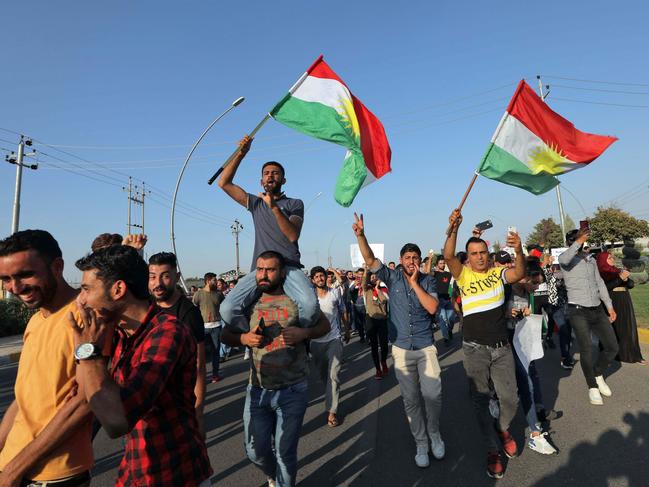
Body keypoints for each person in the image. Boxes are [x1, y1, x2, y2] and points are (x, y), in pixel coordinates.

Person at [71, 245, 212, 486]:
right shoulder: (116, 333)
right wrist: (90, 345)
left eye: (86, 289)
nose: (80, 300)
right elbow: (84, 394)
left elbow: (116, 420)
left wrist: (88, 351)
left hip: (174, 473)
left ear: (118, 289)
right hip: (136, 470)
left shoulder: (168, 333)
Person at [221, 251, 330, 487]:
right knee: (254, 451)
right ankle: (273, 476)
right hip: (258, 390)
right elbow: (225, 334)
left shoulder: (297, 301)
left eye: (270, 270)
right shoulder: (248, 302)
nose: (263, 275)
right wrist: (244, 339)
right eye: (259, 269)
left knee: (285, 453)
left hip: (293, 390)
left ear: (282, 273)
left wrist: (305, 333)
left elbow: (324, 324)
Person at [0, 230, 95, 486]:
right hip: (13, 467)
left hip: (54, 477)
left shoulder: (85, 318)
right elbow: (23, 398)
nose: (15, 287)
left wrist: (12, 471)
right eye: (6, 279)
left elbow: (84, 402)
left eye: (25, 274)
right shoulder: (34, 320)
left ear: (57, 266)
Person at [352, 213, 445, 468]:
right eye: (407, 258)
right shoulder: (391, 277)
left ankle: (434, 433)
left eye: (415, 258)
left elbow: (433, 308)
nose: (412, 261)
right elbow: (370, 260)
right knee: (411, 399)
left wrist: (416, 284)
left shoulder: (428, 280)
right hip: (402, 349)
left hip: (425, 346)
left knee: (433, 395)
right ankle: (421, 442)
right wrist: (361, 235)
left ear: (420, 261)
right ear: (401, 261)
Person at [443, 209, 526, 480]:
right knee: (480, 402)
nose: (479, 257)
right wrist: (454, 228)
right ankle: (492, 449)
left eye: (482, 252)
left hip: (502, 348)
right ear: (467, 257)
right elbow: (447, 256)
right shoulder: (463, 275)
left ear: (488, 253)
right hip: (474, 349)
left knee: (510, 399)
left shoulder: (499, 273)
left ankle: (502, 429)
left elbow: (519, 273)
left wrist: (520, 251)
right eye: (474, 253)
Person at [218, 135, 318, 331]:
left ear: (284, 179)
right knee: (228, 308)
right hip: (261, 269)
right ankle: (253, 334)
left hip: (288, 267)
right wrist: (241, 153)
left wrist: (273, 208)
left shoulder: (295, 204)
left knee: (310, 306)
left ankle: (298, 335)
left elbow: (292, 235)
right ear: (261, 180)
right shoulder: (255, 203)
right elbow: (224, 183)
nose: (270, 176)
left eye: (275, 173)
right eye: (266, 173)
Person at [148, 252, 207, 435]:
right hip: (145, 401)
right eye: (152, 277)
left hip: (176, 405)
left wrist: (198, 412)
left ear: (177, 277)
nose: (158, 283)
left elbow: (199, 366)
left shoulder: (188, 314)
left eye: (165, 276)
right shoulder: (146, 307)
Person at [559, 229, 618, 406]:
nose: (585, 242)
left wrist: (609, 306)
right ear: (573, 241)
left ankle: (598, 373)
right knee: (586, 349)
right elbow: (563, 259)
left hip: (597, 310)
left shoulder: (591, 259)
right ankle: (592, 386)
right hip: (578, 310)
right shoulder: (566, 259)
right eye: (581, 239)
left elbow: (599, 283)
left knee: (612, 347)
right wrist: (578, 241)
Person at [506, 267, 558, 455]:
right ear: (523, 278)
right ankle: (535, 434)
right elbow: (495, 316)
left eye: (539, 283)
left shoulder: (529, 294)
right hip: (507, 341)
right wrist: (508, 314)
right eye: (534, 283)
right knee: (524, 382)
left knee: (532, 374)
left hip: (525, 340)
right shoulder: (506, 290)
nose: (537, 287)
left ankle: (538, 410)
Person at [310, 266, 350, 427]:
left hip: (334, 339)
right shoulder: (310, 298)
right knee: (324, 377)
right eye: (317, 277)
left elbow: (343, 310)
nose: (320, 278)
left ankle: (331, 412)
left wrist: (347, 329)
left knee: (333, 376)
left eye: (322, 276)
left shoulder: (334, 293)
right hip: (316, 342)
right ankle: (331, 395)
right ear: (312, 280)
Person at [596, 251, 646, 365]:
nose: (612, 259)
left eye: (613, 257)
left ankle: (633, 355)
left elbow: (631, 285)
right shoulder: (601, 273)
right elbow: (604, 288)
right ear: (603, 260)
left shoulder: (618, 270)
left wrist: (626, 279)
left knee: (627, 328)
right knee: (611, 329)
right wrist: (619, 278)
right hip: (611, 302)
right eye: (609, 258)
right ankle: (607, 355)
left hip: (624, 301)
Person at [541, 254, 575, 369]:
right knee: (564, 330)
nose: (557, 267)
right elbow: (545, 270)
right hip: (554, 306)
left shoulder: (567, 275)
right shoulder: (550, 276)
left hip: (567, 305)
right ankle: (565, 357)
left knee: (568, 331)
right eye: (555, 265)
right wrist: (548, 262)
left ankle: (566, 352)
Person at [193, 272, 225, 382]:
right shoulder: (198, 294)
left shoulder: (219, 294)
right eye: (214, 280)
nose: (216, 282)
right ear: (207, 281)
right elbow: (193, 308)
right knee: (201, 353)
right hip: (203, 328)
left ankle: (215, 375)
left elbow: (225, 307)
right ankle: (201, 376)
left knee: (215, 351)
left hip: (217, 327)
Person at [361, 269, 390, 379]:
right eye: (371, 277)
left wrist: (378, 289)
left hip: (382, 319)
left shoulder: (384, 289)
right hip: (371, 319)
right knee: (373, 346)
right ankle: (378, 369)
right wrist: (366, 270)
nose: (373, 279)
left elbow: (383, 301)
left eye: (375, 277)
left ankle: (383, 361)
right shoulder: (366, 289)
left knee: (384, 345)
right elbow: (364, 282)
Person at [432, 256, 456, 344]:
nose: (442, 265)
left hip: (448, 299)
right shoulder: (434, 274)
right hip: (439, 300)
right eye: (440, 263)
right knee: (443, 319)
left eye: (443, 263)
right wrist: (430, 258)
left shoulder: (448, 274)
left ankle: (449, 330)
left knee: (451, 319)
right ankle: (446, 338)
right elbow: (427, 272)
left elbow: (452, 285)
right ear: (437, 264)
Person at [348, 268, 367, 342]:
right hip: (357, 307)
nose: (361, 276)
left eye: (362, 274)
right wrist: (354, 286)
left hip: (366, 306)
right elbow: (349, 292)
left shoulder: (367, 282)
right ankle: (362, 337)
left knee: (367, 324)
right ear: (357, 274)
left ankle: (369, 338)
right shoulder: (354, 282)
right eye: (360, 274)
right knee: (359, 323)